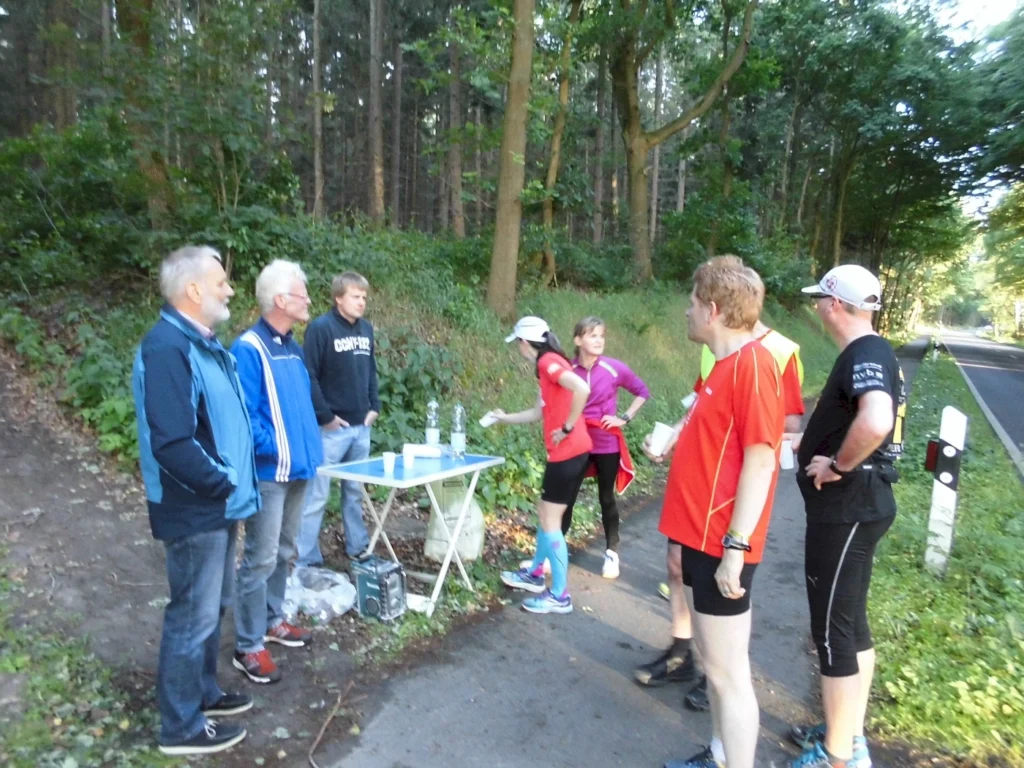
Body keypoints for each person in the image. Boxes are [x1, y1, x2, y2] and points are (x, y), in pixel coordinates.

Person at [649, 256, 784, 768]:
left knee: (729, 676)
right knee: (714, 664)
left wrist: (736, 547)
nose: (685, 313)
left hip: (723, 542)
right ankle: (721, 753)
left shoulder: (753, 364)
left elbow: (761, 457)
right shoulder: (723, 367)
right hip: (700, 540)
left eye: (690, 304)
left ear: (712, 309)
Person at [643, 307, 806, 711]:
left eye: (697, 301)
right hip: (693, 499)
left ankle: (716, 675)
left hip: (727, 507)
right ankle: (684, 654)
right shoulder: (717, 347)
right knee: (676, 566)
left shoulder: (777, 352)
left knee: (726, 598)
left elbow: (786, 427)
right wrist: (675, 437)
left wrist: (739, 535)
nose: (690, 309)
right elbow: (699, 402)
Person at [131, 245, 259, 756]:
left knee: (214, 606)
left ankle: (204, 693)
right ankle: (181, 727)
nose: (229, 289)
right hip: (195, 506)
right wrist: (222, 482)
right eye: (221, 281)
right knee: (192, 614)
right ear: (193, 290)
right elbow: (173, 441)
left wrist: (228, 487)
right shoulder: (167, 348)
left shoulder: (205, 345)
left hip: (217, 503)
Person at [786, 265, 906, 768]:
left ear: (835, 305)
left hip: (847, 508)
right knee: (851, 624)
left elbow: (876, 419)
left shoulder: (865, 352)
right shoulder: (873, 351)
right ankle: (846, 731)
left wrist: (837, 465)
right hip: (862, 506)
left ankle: (837, 755)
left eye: (820, 300)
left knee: (832, 632)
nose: (816, 307)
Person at [230, 260, 324, 684]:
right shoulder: (248, 348)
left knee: (286, 551)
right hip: (270, 474)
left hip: (301, 469)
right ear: (281, 300)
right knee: (260, 558)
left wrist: (306, 451)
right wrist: (278, 450)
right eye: (302, 293)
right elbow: (245, 417)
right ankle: (248, 645)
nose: (308, 300)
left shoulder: (292, 345)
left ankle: (272, 619)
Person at [494, 316, 592, 614]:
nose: (519, 350)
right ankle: (536, 573)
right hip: (572, 451)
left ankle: (559, 596)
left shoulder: (548, 361)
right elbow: (539, 411)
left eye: (519, 345)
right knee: (545, 511)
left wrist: (566, 427)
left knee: (551, 521)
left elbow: (581, 389)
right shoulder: (548, 366)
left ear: (525, 343)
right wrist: (504, 417)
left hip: (568, 451)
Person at [296, 271, 380, 566]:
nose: (361, 302)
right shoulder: (320, 329)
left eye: (364, 298)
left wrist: (375, 406)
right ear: (338, 298)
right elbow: (309, 376)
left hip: (361, 426)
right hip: (331, 429)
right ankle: (306, 557)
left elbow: (370, 370)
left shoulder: (366, 329)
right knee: (317, 495)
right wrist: (326, 416)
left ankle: (357, 548)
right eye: (356, 297)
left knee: (354, 493)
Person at [560, 316, 649, 579]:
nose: (599, 341)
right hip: (576, 442)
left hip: (605, 442)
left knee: (606, 498)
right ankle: (556, 551)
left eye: (601, 336)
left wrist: (625, 417)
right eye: (592, 335)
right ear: (578, 340)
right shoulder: (566, 370)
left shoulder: (613, 368)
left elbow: (642, 391)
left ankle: (612, 554)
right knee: (567, 498)